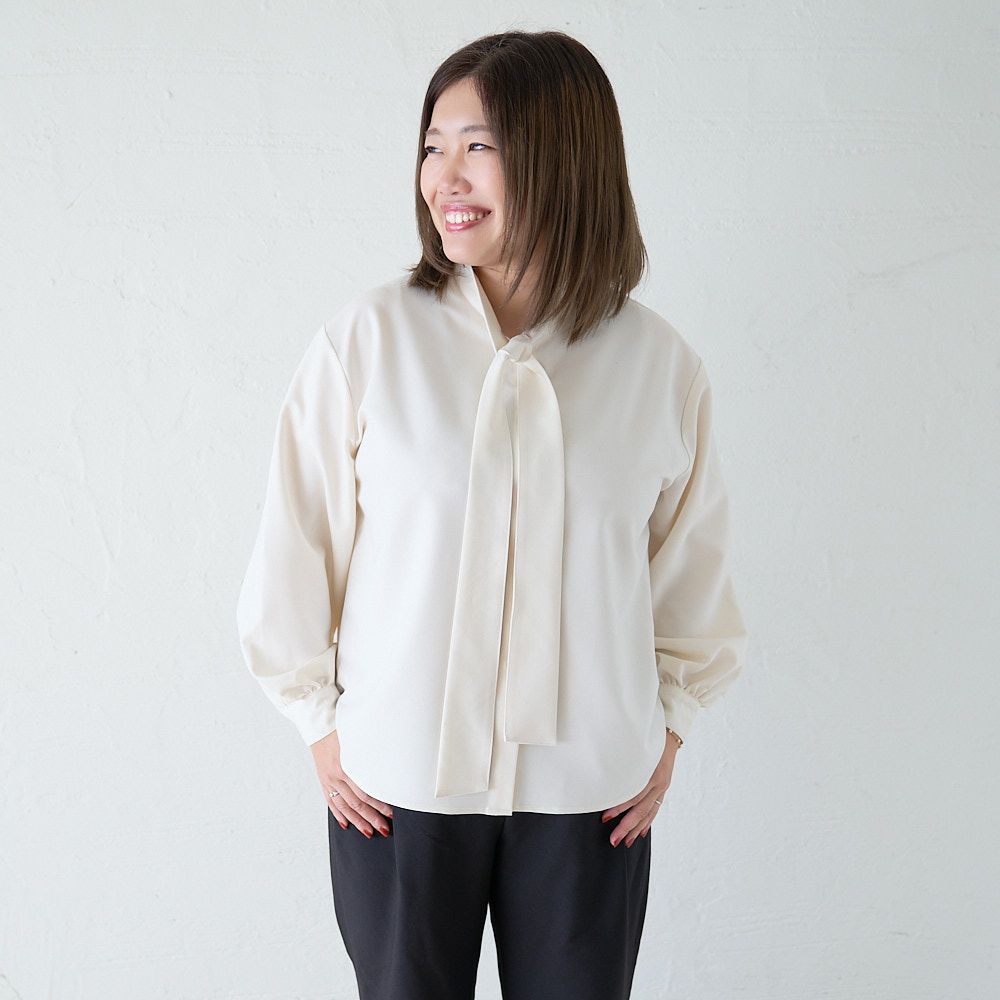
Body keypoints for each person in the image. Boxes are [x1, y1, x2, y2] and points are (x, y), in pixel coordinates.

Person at [236, 28, 749, 1000]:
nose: (446, 176)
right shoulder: (368, 339)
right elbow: (296, 547)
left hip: (591, 796)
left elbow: (691, 577)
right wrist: (320, 726)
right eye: (433, 146)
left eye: (480, 145)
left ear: (564, 157)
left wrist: (670, 731)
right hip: (397, 790)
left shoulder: (659, 367)